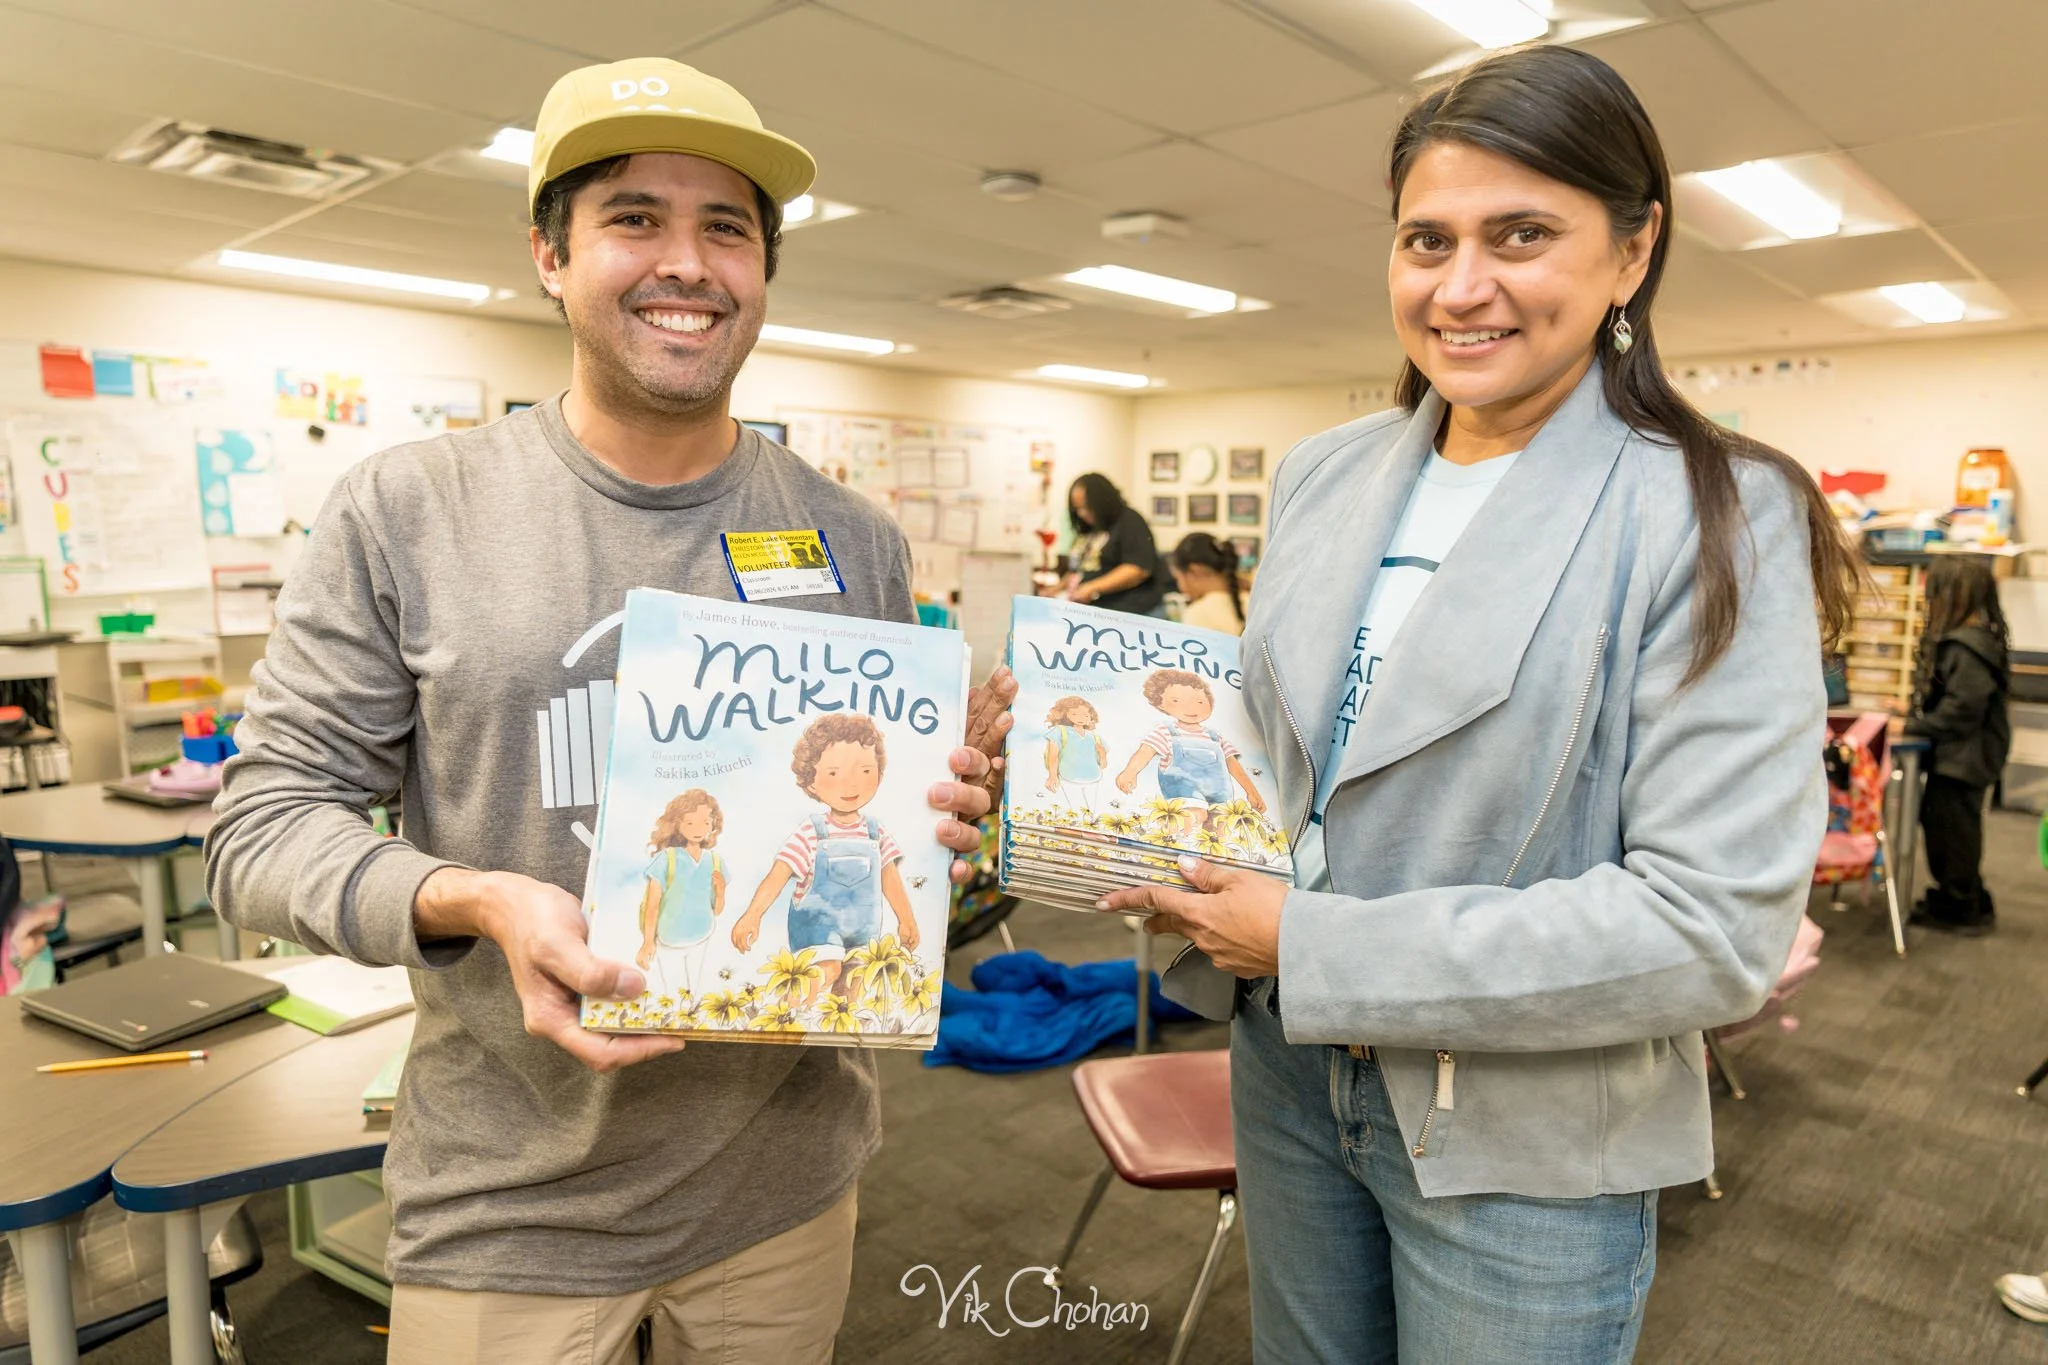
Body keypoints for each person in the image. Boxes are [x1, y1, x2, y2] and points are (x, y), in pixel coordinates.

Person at [204, 57, 1000, 1365]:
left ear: (762, 272)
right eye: (634, 217)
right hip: (507, 1205)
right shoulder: (410, 508)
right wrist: (478, 899)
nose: (686, 262)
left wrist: (945, 821)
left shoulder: (851, 537)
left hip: (783, 1187)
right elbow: (261, 826)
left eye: (726, 227)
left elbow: (866, 831)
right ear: (549, 255)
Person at [1102, 45, 1859, 1363]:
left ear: (1633, 253)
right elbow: (1277, 763)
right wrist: (1101, 789)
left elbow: (1712, 927)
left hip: (1524, 1127)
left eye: (1522, 235)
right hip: (1285, 1070)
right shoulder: (1328, 476)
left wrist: (1314, 946)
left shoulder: (1716, 512)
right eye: (1426, 238)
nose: (1462, 287)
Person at [731, 714, 920, 1005]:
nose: (850, 784)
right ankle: (787, 1013)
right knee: (827, 969)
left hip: (863, 929)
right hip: (817, 927)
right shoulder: (812, 832)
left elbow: (889, 877)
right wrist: (753, 914)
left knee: (854, 988)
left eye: (865, 771)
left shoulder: (875, 832)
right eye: (834, 774)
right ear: (811, 782)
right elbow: (779, 873)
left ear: (879, 774)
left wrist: (906, 919)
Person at [1905, 555, 2011, 935]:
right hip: (1961, 757)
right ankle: (1959, 897)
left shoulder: (1966, 646)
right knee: (1947, 828)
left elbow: (1963, 709)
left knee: (1953, 833)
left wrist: (1917, 726)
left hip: (1964, 760)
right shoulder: (1971, 641)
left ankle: (1960, 905)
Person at [635, 789, 726, 994]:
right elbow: (652, 905)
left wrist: (720, 891)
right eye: (690, 823)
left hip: (702, 936)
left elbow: (716, 909)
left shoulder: (715, 861)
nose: (698, 829)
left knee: (696, 996)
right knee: (672, 996)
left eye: (705, 822)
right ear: (677, 824)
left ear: (713, 825)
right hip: (669, 939)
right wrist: (648, 942)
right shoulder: (667, 858)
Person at [1065, 472, 1171, 615]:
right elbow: (1080, 568)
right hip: (1099, 610)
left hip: (1132, 610)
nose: (1082, 514)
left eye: (1087, 508)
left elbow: (1137, 569)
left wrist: (1092, 587)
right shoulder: (1089, 530)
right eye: (1077, 509)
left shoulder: (1129, 521)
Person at [1041, 695, 1109, 810]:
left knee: (1091, 812)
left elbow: (1102, 765)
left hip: (1093, 779)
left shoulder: (1095, 737)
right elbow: (1053, 756)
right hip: (1069, 778)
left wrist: (1102, 754)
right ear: (1065, 714)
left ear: (1091, 717)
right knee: (1076, 810)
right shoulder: (1059, 731)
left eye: (1085, 715)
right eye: (1074, 714)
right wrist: (1052, 776)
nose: (1080, 718)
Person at [1170, 532, 1246, 634]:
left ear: (1194, 572)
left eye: (1178, 579)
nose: (1180, 587)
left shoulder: (1198, 614)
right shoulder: (1251, 601)